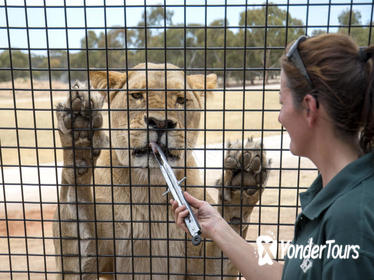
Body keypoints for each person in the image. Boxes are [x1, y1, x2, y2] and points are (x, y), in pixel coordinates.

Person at [171, 33, 374, 279]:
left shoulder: (351, 220)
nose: (279, 118)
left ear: (309, 109)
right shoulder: (331, 191)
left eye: (281, 103)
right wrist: (215, 225)